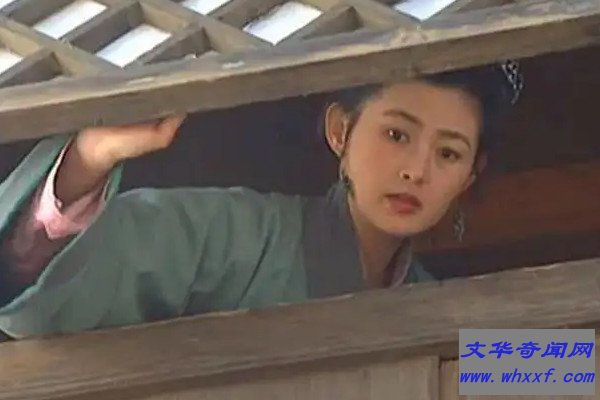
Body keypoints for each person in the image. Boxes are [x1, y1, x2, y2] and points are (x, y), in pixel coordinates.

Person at [0, 61, 523, 339]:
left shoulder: (430, 306)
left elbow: (540, 369)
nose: (417, 169)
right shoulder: (232, 238)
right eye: (396, 135)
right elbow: (40, 304)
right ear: (340, 131)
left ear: (469, 176)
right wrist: (90, 156)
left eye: (449, 153)